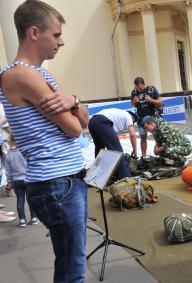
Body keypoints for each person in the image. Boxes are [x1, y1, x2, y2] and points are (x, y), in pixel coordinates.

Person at [0, 1, 89, 282]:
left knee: (71, 261)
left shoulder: (42, 73)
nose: (61, 42)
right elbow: (75, 128)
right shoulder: (21, 74)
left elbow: (83, 117)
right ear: (34, 33)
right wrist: (74, 106)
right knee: (72, 268)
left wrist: (73, 99)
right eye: (56, 34)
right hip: (56, 182)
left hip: (64, 180)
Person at [88, 108, 139, 179]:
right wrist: (135, 151)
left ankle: (96, 176)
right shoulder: (128, 116)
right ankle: (126, 179)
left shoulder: (117, 116)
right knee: (118, 153)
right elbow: (132, 135)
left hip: (92, 122)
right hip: (102, 121)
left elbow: (111, 140)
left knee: (99, 150)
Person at [4, 134, 39, 227]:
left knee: (20, 199)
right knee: (30, 198)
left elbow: (8, 172)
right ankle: (34, 218)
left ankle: (22, 220)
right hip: (28, 178)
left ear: (10, 141)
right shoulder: (25, 151)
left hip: (16, 181)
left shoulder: (8, 156)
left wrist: (10, 183)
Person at [131, 77, 163, 157]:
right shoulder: (134, 92)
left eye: (140, 88)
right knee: (143, 137)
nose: (139, 90)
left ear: (144, 84)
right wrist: (134, 101)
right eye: (137, 88)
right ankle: (144, 156)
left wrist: (150, 100)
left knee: (157, 137)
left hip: (152, 119)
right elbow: (132, 104)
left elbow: (160, 102)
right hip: (141, 119)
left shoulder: (152, 89)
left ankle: (160, 155)